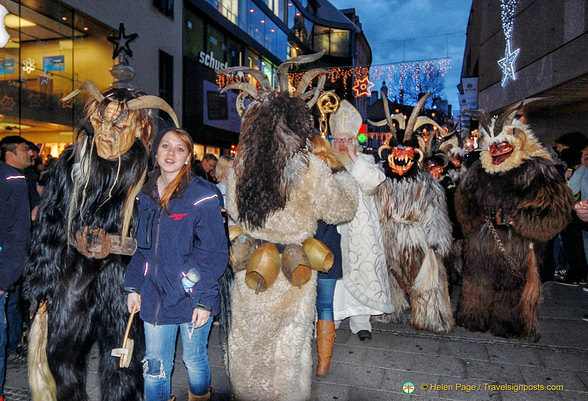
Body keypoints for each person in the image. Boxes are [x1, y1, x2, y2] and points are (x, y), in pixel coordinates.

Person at [125, 128, 228, 401]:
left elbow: (214, 252)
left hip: (192, 293)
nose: (171, 153)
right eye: (165, 146)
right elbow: (141, 249)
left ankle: (200, 396)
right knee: (155, 367)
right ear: (155, 152)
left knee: (194, 359)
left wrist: (205, 299)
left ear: (187, 158)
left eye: (179, 149)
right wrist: (134, 286)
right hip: (155, 296)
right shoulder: (143, 193)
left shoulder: (203, 194)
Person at [330, 101, 395, 341]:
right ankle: (332, 319)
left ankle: (361, 322)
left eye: (347, 140)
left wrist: (355, 158)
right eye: (338, 140)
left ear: (355, 141)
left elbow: (372, 184)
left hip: (360, 231)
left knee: (360, 274)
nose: (342, 144)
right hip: (333, 230)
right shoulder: (327, 164)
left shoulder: (365, 162)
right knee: (334, 278)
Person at [311, 135, 352, 376]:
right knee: (325, 305)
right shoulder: (338, 173)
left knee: (304, 306)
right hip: (328, 247)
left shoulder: (304, 175)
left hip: (303, 248)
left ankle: (303, 355)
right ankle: (323, 362)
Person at [0, 136, 32, 401]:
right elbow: (18, 231)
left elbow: (18, 232)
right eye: (25, 149)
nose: (31, 153)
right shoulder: (12, 179)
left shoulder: (17, 179)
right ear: (9, 153)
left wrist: (5, 279)